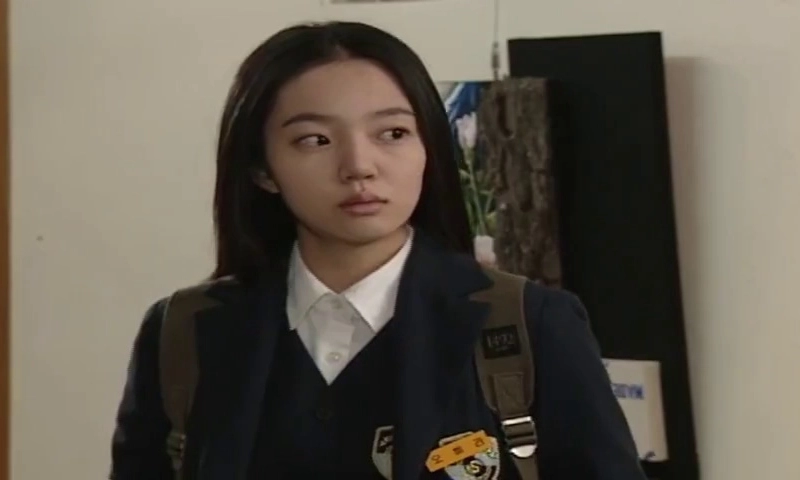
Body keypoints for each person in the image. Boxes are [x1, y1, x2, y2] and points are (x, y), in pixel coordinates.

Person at [110, 21, 647, 480]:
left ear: (428, 147)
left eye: (392, 133)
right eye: (315, 140)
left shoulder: (530, 325)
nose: (359, 166)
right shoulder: (185, 333)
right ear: (261, 169)